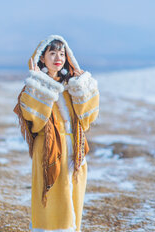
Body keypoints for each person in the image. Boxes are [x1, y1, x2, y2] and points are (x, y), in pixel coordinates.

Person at [14, 34, 99, 232]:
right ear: (42, 58)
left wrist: (82, 85)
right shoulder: (33, 86)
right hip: (48, 150)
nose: (58, 57)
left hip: (74, 149)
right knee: (53, 200)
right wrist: (41, 84)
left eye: (61, 53)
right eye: (52, 53)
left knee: (73, 196)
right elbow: (33, 120)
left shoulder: (70, 86)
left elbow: (87, 118)